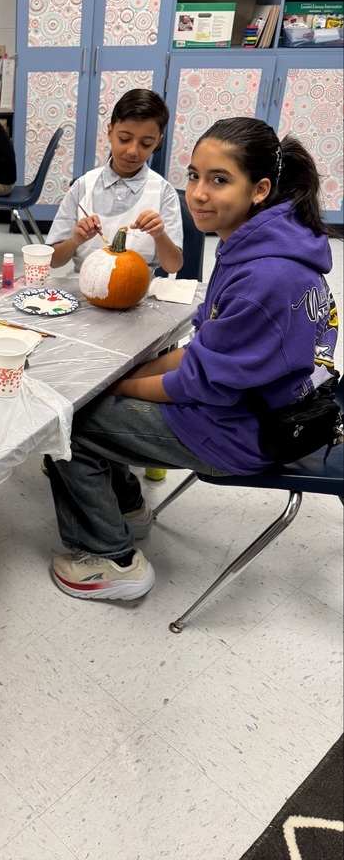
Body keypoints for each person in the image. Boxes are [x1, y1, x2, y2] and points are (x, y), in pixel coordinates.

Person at [46, 117, 339, 601]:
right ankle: (128, 506)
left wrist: (115, 385)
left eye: (219, 180)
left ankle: (109, 558)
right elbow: (204, 346)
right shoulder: (254, 244)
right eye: (194, 176)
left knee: (66, 422)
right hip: (258, 406)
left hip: (248, 430)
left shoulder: (267, 277)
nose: (198, 193)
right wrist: (124, 377)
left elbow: (198, 382)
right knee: (100, 394)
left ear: (260, 189)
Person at [47, 89, 183, 276]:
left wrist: (159, 235)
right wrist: (75, 241)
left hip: (138, 289)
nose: (133, 151)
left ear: (158, 141)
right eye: (124, 139)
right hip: (83, 285)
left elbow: (173, 266)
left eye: (146, 143)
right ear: (110, 131)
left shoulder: (163, 193)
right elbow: (53, 261)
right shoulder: (83, 187)